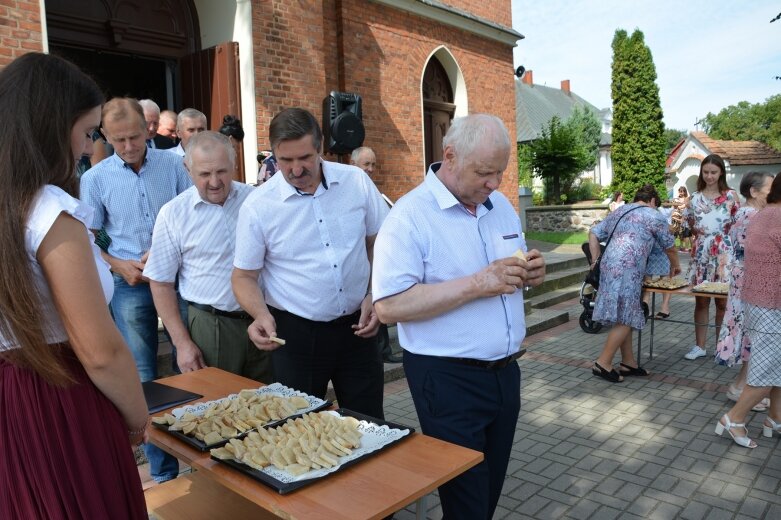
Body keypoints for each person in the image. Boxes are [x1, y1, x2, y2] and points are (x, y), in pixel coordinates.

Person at [373, 114, 546, 519]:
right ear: (449, 156)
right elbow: (388, 307)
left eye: (500, 172)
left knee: (487, 494)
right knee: (466, 501)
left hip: (505, 374)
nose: (494, 184)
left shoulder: (499, 205)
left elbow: (508, 270)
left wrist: (529, 274)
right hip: (447, 379)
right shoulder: (409, 217)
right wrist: (477, 283)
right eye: (484, 172)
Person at [0, 52, 147, 518]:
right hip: (59, 395)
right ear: (49, 127)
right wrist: (138, 417)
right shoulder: (48, 211)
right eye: (86, 132)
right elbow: (99, 351)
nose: (88, 148)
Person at [232, 107, 388, 419]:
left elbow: (381, 244)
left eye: (304, 157)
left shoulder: (355, 181)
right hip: (296, 335)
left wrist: (376, 294)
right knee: (299, 427)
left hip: (359, 326)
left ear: (319, 148)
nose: (296, 169)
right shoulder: (259, 206)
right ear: (274, 152)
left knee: (369, 422)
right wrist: (260, 314)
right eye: (285, 160)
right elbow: (243, 277)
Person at [80, 97, 192, 484]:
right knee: (142, 375)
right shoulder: (94, 179)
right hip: (128, 283)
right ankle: (164, 474)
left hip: (176, 278)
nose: (128, 147)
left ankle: (202, 457)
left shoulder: (175, 165)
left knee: (189, 364)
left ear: (148, 130)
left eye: (134, 137)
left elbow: (191, 213)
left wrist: (165, 250)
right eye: (118, 140)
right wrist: (118, 264)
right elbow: (90, 237)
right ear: (105, 137)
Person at [144, 132, 272, 382]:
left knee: (274, 410)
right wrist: (182, 344)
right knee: (217, 413)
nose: (215, 182)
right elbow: (160, 283)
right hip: (211, 329)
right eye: (204, 174)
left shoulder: (257, 201)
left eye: (222, 172)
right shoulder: (173, 214)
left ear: (234, 165)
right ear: (187, 169)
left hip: (266, 322)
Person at [715, 173, 781, 449]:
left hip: (757, 300)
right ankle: (734, 418)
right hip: (771, 304)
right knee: (766, 371)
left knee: (777, 366)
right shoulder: (776, 217)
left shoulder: (763, 215)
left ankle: (775, 419)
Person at [588, 184, 680, 382]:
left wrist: (594, 261)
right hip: (628, 270)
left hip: (610, 268)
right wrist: (676, 266)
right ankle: (602, 363)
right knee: (628, 316)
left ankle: (628, 363)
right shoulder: (654, 215)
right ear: (653, 200)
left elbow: (593, 232)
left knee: (624, 314)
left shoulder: (620, 210)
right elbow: (670, 247)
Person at [683, 154, 739, 360]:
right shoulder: (694, 198)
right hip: (701, 254)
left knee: (723, 303)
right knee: (701, 301)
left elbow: (738, 225)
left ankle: (720, 346)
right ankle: (699, 346)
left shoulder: (732, 196)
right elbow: (689, 225)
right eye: (705, 172)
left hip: (724, 252)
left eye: (713, 172)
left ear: (721, 172)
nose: (709, 176)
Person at [349, 146, 400, 364]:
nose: (370, 169)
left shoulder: (372, 191)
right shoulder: (346, 193)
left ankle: (384, 350)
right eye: (366, 164)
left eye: (373, 165)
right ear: (353, 165)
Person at [672, 186, 692, 252]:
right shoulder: (676, 199)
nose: (682, 193)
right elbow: (674, 206)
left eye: (683, 191)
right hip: (676, 217)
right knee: (676, 232)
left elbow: (684, 206)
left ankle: (683, 246)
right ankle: (678, 246)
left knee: (683, 233)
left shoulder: (686, 199)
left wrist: (679, 206)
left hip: (684, 218)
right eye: (680, 191)